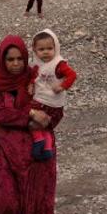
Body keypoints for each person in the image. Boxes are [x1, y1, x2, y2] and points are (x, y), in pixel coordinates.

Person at [0, 35, 56, 214]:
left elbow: (54, 109)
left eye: (20, 59)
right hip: (7, 153)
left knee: (37, 206)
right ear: (2, 60)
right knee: (7, 204)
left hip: (38, 154)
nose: (16, 64)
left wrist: (45, 117)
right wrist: (30, 115)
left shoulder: (37, 78)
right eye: (10, 59)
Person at [29, 29, 77, 161]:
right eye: (41, 49)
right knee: (47, 127)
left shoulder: (58, 64)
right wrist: (31, 84)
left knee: (31, 121)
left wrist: (62, 86)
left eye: (49, 48)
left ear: (56, 48)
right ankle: (47, 148)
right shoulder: (37, 64)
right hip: (48, 103)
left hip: (48, 103)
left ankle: (38, 141)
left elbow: (72, 75)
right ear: (34, 50)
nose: (45, 52)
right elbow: (34, 77)